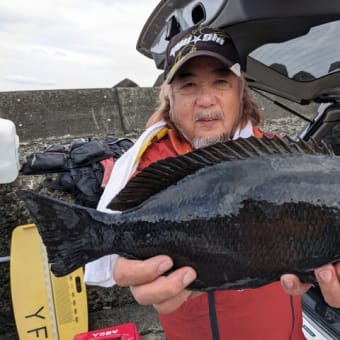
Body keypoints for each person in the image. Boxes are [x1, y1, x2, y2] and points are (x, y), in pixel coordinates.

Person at [85, 25, 340, 340]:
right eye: (189, 85)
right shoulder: (147, 168)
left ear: (240, 90)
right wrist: (126, 262)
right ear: (169, 96)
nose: (206, 100)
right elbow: (124, 247)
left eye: (220, 81)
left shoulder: (281, 158)